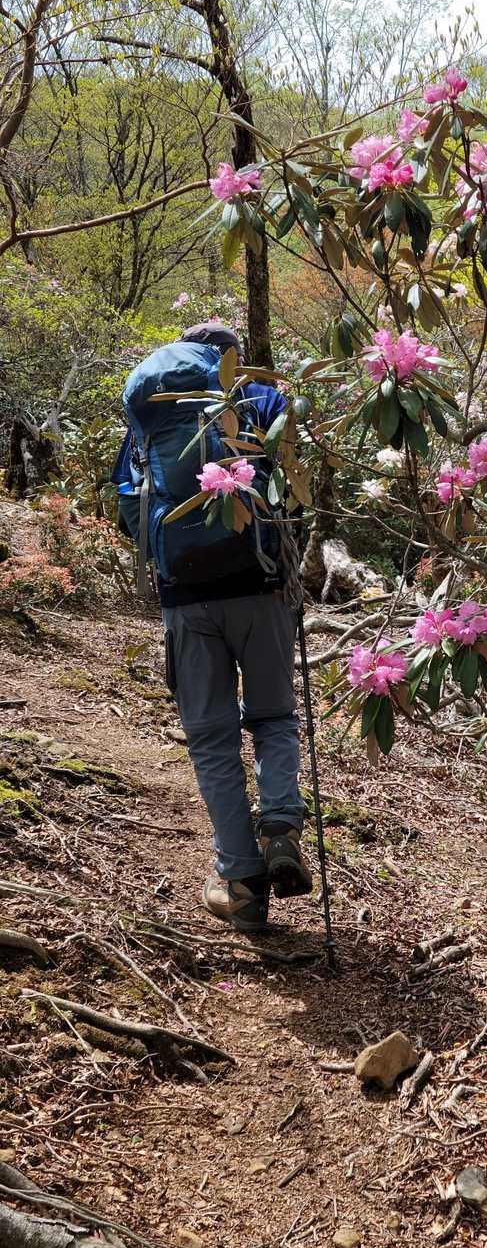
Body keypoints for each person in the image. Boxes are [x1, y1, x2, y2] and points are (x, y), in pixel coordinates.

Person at [112, 322, 311, 931]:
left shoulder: (150, 408)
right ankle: (280, 826)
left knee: (211, 740)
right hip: (261, 588)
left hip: (185, 598)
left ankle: (242, 883)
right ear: (231, 356)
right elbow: (294, 486)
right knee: (273, 718)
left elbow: (129, 502)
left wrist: (172, 555)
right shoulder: (259, 396)